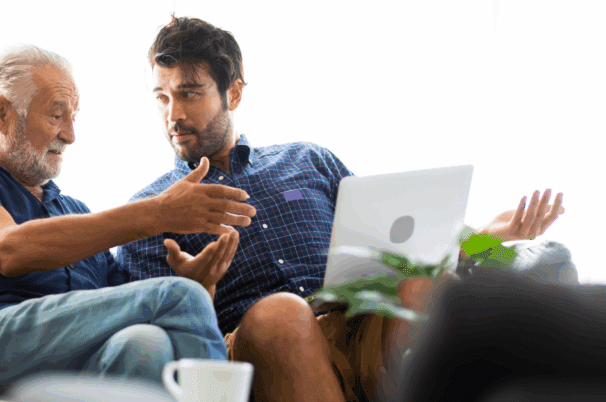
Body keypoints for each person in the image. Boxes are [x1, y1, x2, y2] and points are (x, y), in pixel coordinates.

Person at [117, 16, 567, 402]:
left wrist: (490, 237)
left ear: (233, 93)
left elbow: (389, 247)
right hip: (262, 345)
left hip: (356, 328)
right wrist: (197, 292)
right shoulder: (148, 212)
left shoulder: (309, 160)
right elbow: (156, 345)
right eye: (162, 96)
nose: (173, 113)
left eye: (189, 93)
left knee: (421, 282)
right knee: (280, 315)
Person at [0, 45, 256, 395]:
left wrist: (200, 284)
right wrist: (157, 213)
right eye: (56, 116)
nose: (70, 135)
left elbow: (123, 302)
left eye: (74, 117)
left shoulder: (74, 211)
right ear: (1, 113)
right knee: (179, 297)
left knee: (145, 344)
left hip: (67, 356)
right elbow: (6, 248)